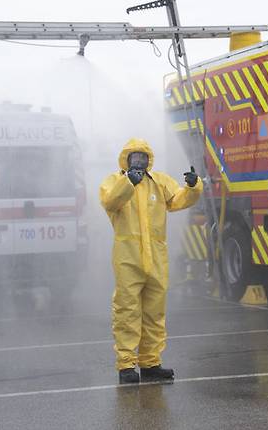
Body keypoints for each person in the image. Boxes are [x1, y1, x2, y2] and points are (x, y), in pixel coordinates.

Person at [99, 138, 202, 384]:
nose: (139, 162)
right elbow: (110, 201)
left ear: (149, 160)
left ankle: (151, 363)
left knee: (154, 313)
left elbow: (177, 200)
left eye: (143, 158)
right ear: (126, 159)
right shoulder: (115, 182)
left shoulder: (159, 182)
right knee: (127, 312)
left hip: (156, 258)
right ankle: (126, 366)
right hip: (128, 258)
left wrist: (193, 186)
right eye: (135, 157)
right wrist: (128, 183)